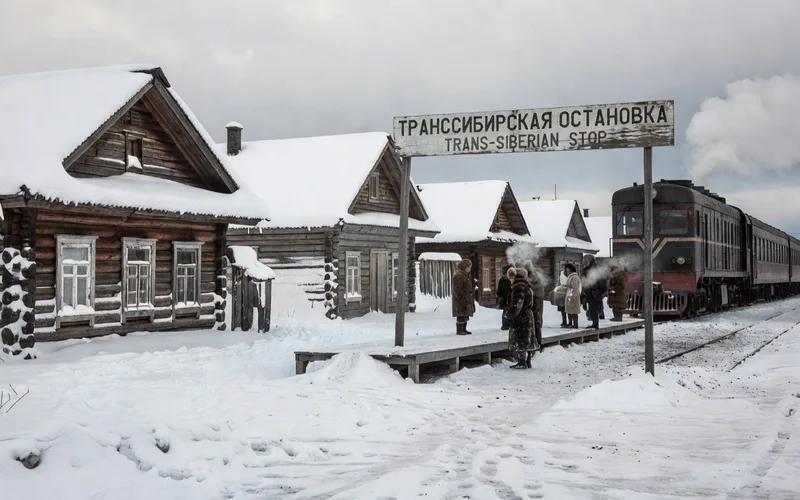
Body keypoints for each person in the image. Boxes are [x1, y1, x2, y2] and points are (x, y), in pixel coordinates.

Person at [504, 267, 535, 368]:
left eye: (512, 277)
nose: (510, 279)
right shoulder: (527, 286)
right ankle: (528, 361)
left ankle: (522, 362)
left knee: (521, 338)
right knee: (528, 339)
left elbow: (517, 305)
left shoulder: (519, 288)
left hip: (521, 317)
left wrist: (509, 314)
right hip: (527, 315)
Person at [581, 254, 607, 330]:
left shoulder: (596, 269)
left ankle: (595, 324)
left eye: (587, 259)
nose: (585, 261)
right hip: (588, 291)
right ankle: (594, 323)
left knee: (594, 307)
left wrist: (600, 291)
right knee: (591, 308)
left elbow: (602, 281)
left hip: (595, 291)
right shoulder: (586, 269)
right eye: (585, 259)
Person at [525, 262, 545, 352]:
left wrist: (529, 286)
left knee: (537, 322)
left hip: (536, 300)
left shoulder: (534, 277)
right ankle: (535, 343)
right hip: (535, 299)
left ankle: (538, 344)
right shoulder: (533, 275)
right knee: (536, 322)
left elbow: (537, 286)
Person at [452, 259, 475, 335]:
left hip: (466, 298)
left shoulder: (464, 276)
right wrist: (461, 298)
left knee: (465, 314)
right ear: (464, 267)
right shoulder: (459, 276)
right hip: (461, 299)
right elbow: (457, 289)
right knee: (461, 315)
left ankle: (464, 329)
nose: (469, 269)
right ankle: (460, 330)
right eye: (468, 267)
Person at [496, 265, 515, 330]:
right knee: (506, 311)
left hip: (509, 299)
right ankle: (506, 324)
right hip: (506, 299)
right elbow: (499, 291)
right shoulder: (504, 280)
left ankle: (509, 324)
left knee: (509, 311)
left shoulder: (509, 280)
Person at [564, 263, 582, 328]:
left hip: (573, 295)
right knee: (569, 310)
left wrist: (572, 296)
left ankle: (575, 324)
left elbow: (575, 288)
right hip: (569, 295)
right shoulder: (570, 277)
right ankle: (570, 323)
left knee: (574, 310)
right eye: (566, 271)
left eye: (568, 270)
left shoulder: (574, 277)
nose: (567, 272)